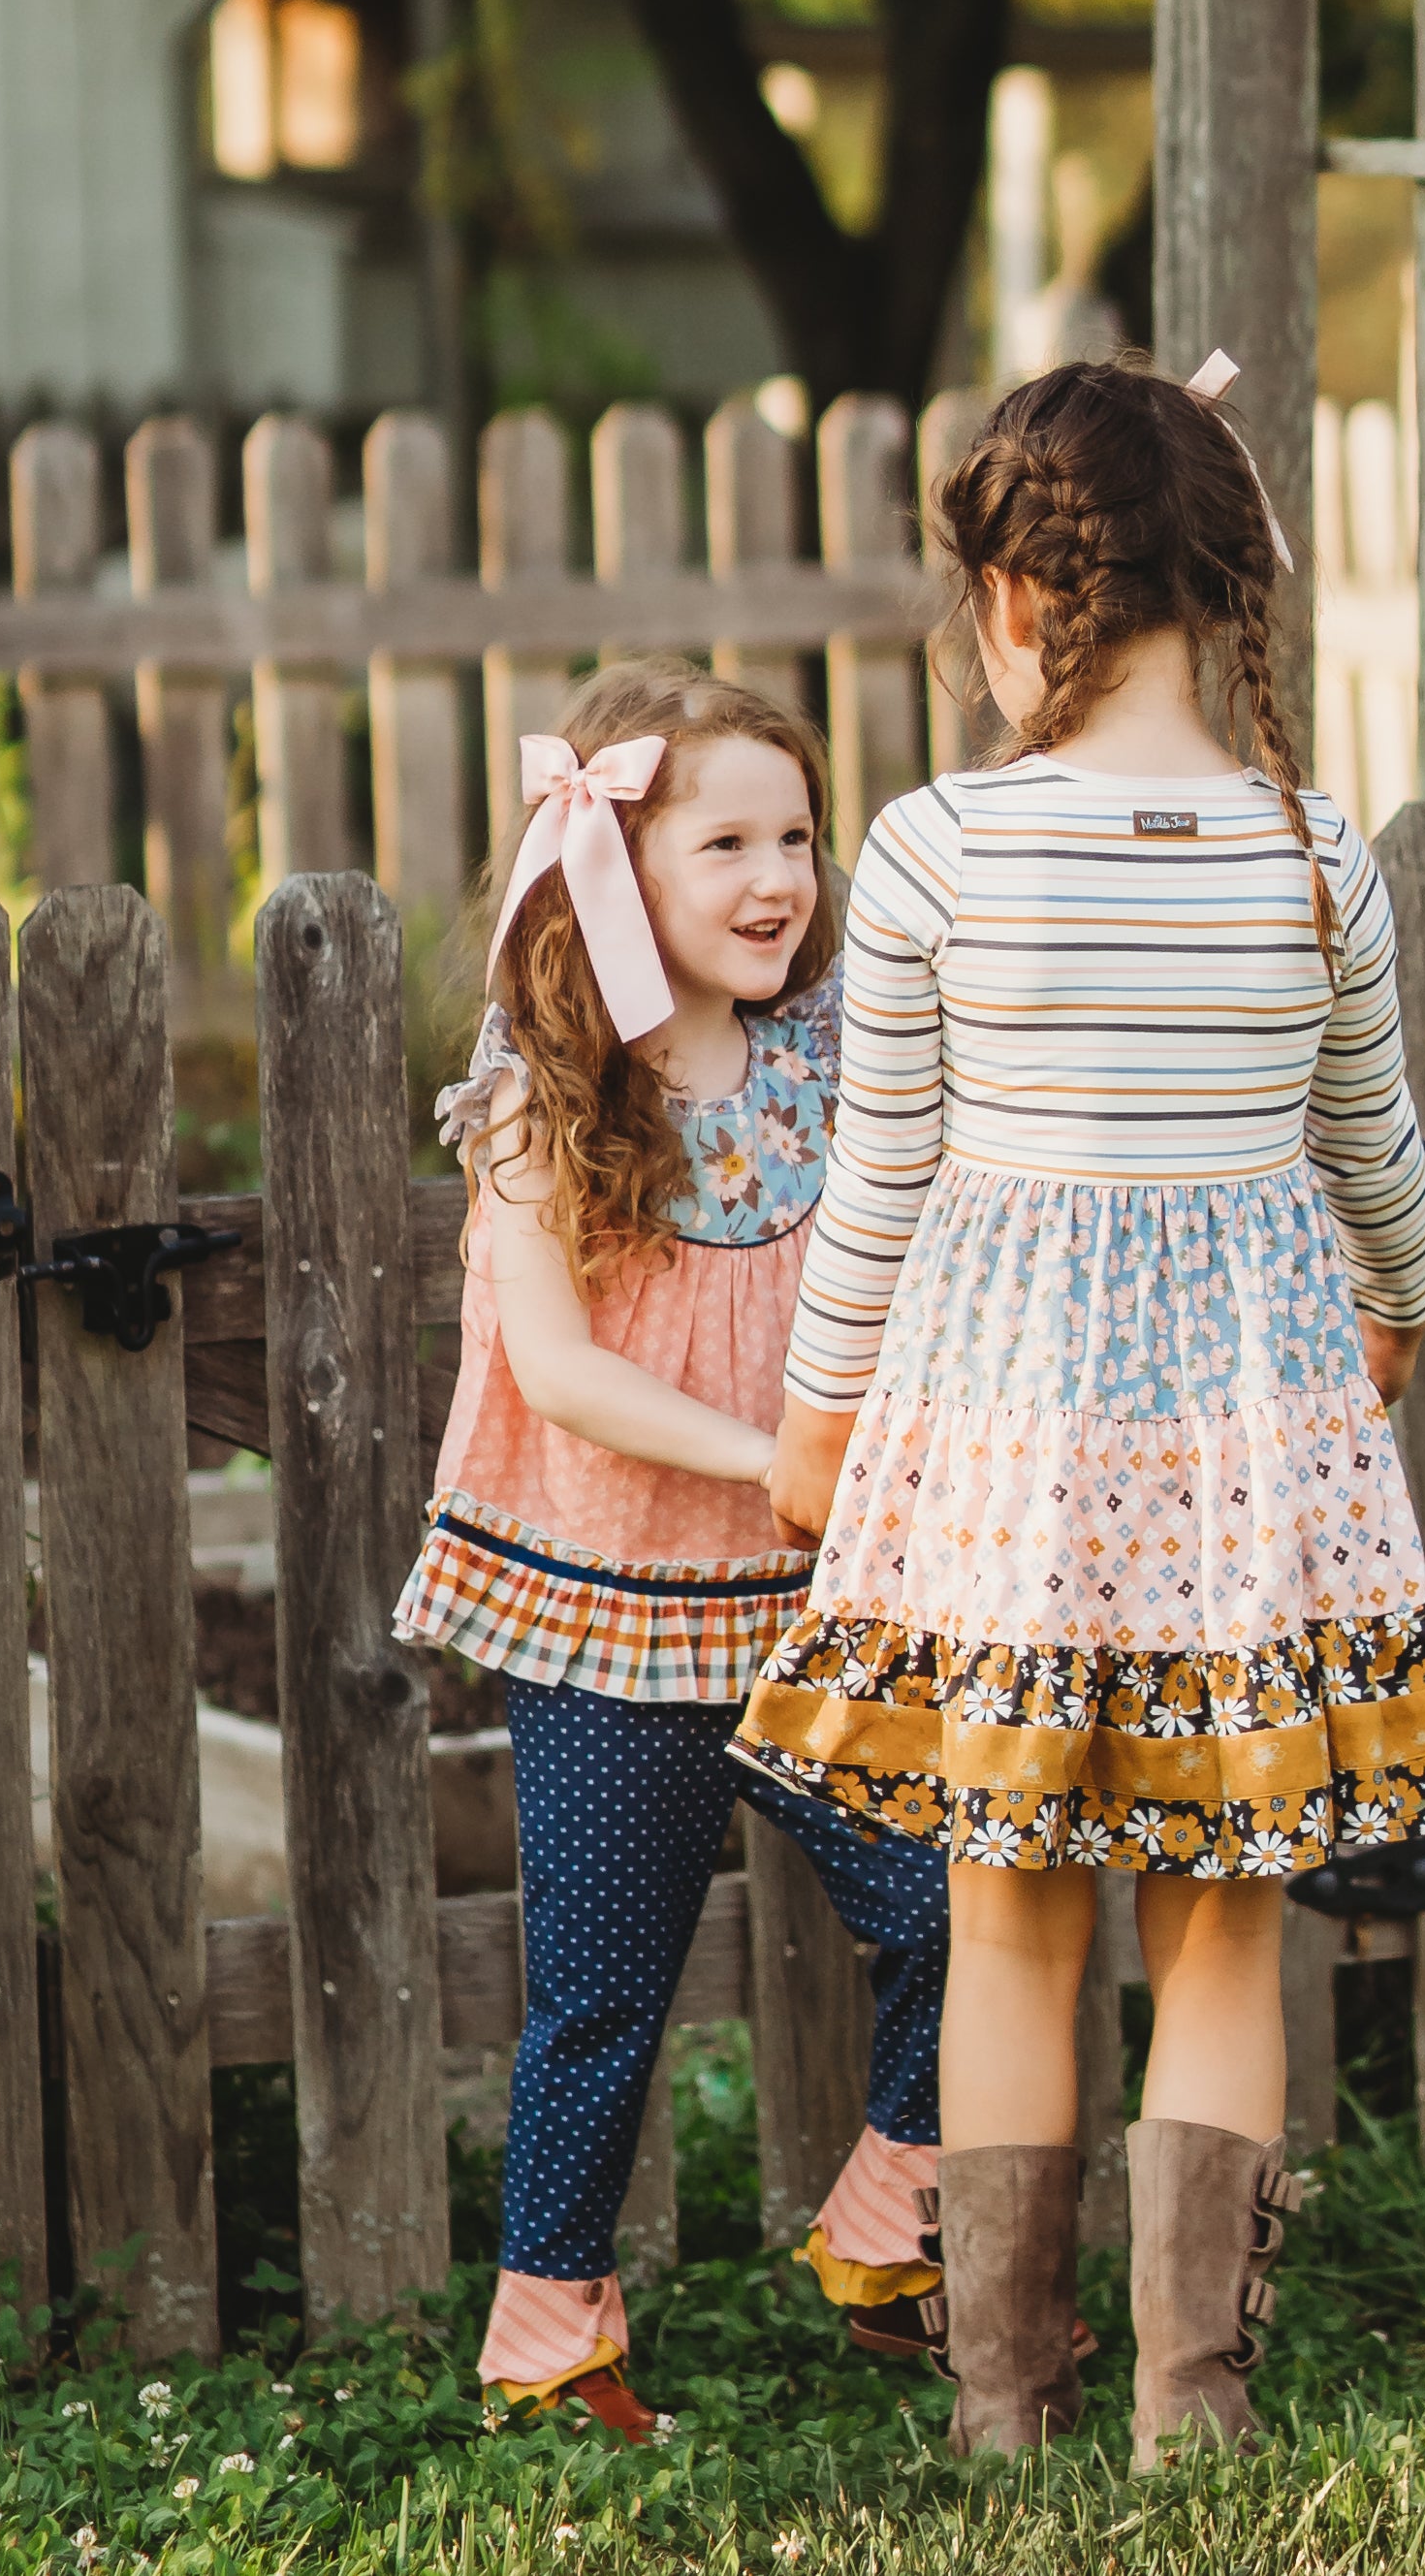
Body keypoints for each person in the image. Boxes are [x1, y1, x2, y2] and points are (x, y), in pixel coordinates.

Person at [739, 351, 1425, 2469]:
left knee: (1007, 1909)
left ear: (1013, 604)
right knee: (1224, 1908)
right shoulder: (1306, 855)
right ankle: (1193, 2404)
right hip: (1244, 1473)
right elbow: (1376, 1158)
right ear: (1225, 584)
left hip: (1001, 1470)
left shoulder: (933, 851)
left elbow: (875, 1188)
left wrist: (814, 1432)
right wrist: (1400, 1318)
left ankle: (1003, 2410)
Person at [396, 657, 956, 2441]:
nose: (777, 875)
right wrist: (775, 1457)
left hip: (817, 1604)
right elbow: (558, 1374)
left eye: (794, 834)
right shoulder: (540, 1093)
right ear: (614, 870)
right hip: (608, 1608)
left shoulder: (834, 1048)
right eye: (723, 842)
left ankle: (891, 2234)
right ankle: (548, 2344)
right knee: (603, 1994)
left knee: (956, 1900)